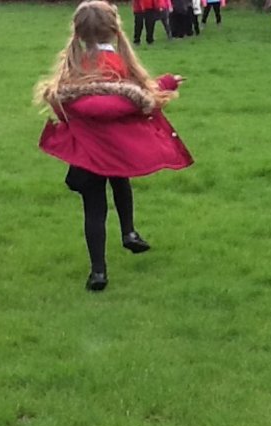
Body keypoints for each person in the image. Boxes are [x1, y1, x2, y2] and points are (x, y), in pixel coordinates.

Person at [34, 0, 193, 291]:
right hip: (119, 150)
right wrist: (169, 81)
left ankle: (98, 272)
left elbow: (63, 110)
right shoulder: (121, 67)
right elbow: (144, 95)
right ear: (114, 31)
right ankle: (129, 232)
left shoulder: (74, 69)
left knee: (94, 210)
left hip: (87, 154)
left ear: (78, 34)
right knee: (121, 182)